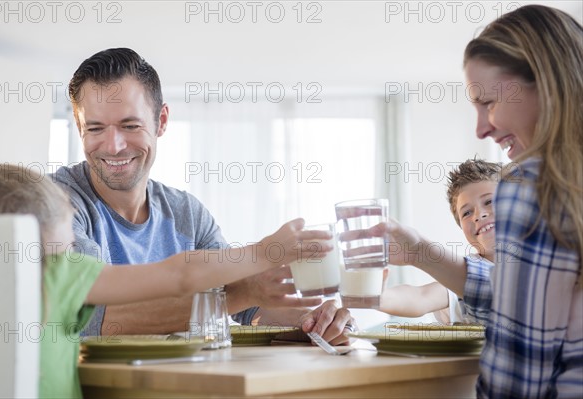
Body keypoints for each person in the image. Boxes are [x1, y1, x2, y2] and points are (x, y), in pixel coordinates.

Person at [52, 47, 353, 344]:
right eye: (95, 128)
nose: (113, 145)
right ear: (79, 128)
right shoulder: (55, 204)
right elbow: (94, 319)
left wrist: (314, 321)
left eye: (130, 125)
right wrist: (244, 290)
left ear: (162, 121)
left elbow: (251, 306)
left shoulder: (186, 213)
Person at [372, 5, 582, 397]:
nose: (482, 127)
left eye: (489, 103)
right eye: (466, 212)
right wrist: (417, 253)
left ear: (546, 84)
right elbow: (522, 290)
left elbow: (519, 376)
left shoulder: (530, 185)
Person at [0, 163, 333, 398]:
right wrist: (262, 252)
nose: (74, 239)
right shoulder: (62, 273)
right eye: (68, 221)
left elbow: (246, 302)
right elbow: (181, 274)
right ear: (42, 231)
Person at [379, 159, 500, 325]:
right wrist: (377, 295)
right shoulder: (457, 273)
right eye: (466, 213)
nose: (479, 215)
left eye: (489, 201)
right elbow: (420, 296)